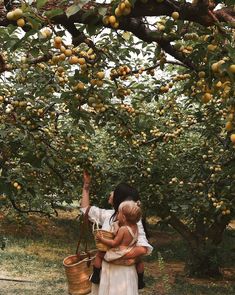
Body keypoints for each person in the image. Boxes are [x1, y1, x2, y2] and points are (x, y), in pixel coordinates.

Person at [81, 171, 153, 295]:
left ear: (119, 198)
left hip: (122, 274)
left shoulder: (134, 223)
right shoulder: (108, 215)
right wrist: (86, 187)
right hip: (106, 271)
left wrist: (113, 255)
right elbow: (85, 210)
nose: (111, 193)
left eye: (115, 191)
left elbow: (143, 248)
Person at [91, 200, 145, 289]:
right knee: (139, 261)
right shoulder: (135, 227)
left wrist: (102, 239)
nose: (117, 214)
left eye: (119, 213)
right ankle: (140, 280)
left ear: (123, 217)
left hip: (119, 252)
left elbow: (114, 243)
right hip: (130, 249)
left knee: (99, 255)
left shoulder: (123, 229)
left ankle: (95, 276)